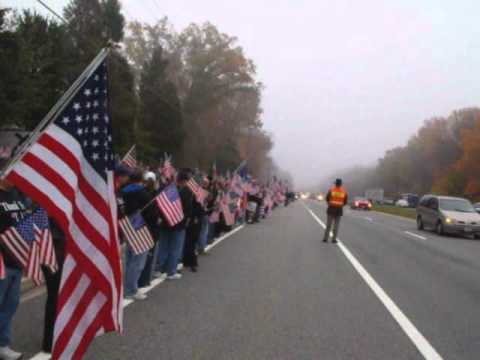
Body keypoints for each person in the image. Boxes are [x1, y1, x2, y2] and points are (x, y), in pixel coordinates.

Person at [0, 177, 26, 360]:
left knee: (11, 305)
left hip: (17, 260)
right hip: (1, 261)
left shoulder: (17, 194)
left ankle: (3, 344)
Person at [121, 169, 152, 300]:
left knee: (129, 257)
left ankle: (127, 286)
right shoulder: (142, 192)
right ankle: (131, 289)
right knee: (139, 257)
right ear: (141, 180)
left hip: (126, 223)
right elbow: (150, 209)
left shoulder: (123, 191)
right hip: (138, 224)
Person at [155, 169, 192, 280]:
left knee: (163, 247)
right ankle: (171, 271)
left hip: (165, 222)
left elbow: (159, 203)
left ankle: (159, 269)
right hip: (179, 223)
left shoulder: (167, 188)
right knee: (175, 248)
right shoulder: (186, 192)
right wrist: (186, 220)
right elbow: (188, 209)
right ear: (185, 181)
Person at [40, 219, 65, 356]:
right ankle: (49, 342)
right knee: (55, 296)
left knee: (59, 296)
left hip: (58, 244)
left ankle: (57, 336)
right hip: (53, 247)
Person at [323, 178, 348, 244]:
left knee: (328, 225)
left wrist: (330, 204)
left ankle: (325, 238)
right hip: (339, 210)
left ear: (335, 184)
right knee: (336, 226)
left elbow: (327, 199)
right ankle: (334, 239)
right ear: (341, 184)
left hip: (331, 209)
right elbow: (345, 202)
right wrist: (340, 205)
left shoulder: (331, 190)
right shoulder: (344, 192)